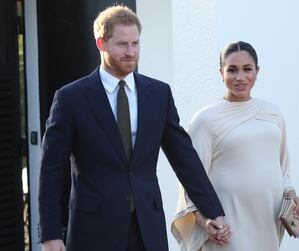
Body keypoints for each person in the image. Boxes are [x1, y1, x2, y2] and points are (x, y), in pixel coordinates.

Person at [38, 5, 229, 251]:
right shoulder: (70, 99)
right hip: (93, 231)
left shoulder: (159, 94)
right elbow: (50, 170)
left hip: (147, 229)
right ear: (101, 44)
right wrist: (50, 235)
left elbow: (185, 158)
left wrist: (213, 211)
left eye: (136, 44)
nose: (131, 52)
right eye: (122, 44)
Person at [172, 41, 299, 251]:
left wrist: (292, 194)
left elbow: (283, 166)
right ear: (221, 72)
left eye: (247, 69)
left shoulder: (273, 113)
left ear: (257, 71)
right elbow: (192, 179)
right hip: (228, 224)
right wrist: (205, 221)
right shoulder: (205, 119)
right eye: (232, 70)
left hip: (267, 219)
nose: (240, 77)